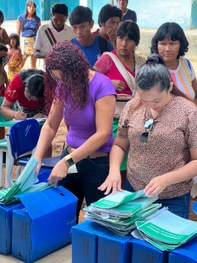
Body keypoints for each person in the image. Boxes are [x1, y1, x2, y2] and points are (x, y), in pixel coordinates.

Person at [99, 54, 197, 219]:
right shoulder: (132, 106)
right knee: (134, 239)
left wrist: (166, 179)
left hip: (173, 196)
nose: (150, 105)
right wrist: (114, 169)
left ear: (170, 87)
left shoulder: (188, 112)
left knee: (165, 242)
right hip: (135, 190)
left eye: (156, 100)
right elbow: (120, 144)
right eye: (144, 100)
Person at [33, 41, 116, 218]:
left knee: (99, 220)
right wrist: (37, 156)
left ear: (76, 69)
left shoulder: (102, 85)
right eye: (57, 78)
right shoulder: (64, 86)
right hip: (70, 160)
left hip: (97, 163)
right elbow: (50, 125)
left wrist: (67, 161)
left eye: (64, 77)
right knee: (63, 216)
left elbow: (103, 134)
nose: (61, 82)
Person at [95, 21, 145, 178]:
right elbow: (91, 82)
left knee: (134, 163)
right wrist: (108, 83)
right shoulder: (107, 59)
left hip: (137, 120)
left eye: (129, 40)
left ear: (136, 43)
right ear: (115, 39)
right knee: (114, 161)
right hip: (112, 121)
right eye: (120, 38)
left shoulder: (142, 63)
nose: (124, 44)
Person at [151, 22, 197, 101]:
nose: (168, 49)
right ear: (156, 45)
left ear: (181, 45)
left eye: (173, 44)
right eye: (163, 44)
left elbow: (196, 95)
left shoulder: (187, 64)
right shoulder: (151, 69)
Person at [16, 0, 41, 68]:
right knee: (21, 63)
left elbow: (39, 33)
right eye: (30, 7)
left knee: (33, 64)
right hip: (24, 42)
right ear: (27, 7)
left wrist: (39, 45)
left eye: (33, 7)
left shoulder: (37, 19)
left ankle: (33, 77)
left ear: (35, 8)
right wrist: (17, 44)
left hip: (34, 42)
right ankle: (18, 77)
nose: (32, 9)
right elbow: (18, 33)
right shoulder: (21, 18)